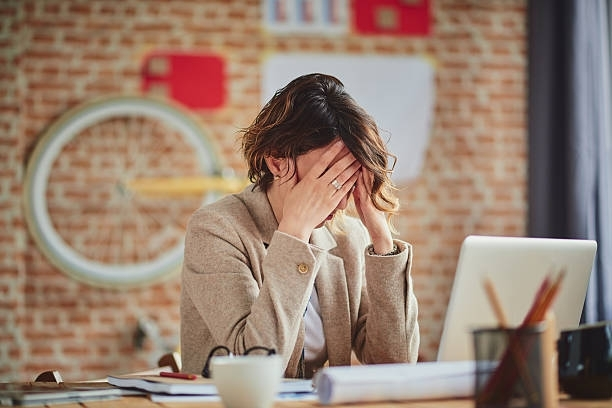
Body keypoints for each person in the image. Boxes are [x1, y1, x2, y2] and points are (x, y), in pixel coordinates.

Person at [180, 73, 419, 378]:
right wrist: (293, 235)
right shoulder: (216, 229)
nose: (340, 200)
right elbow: (257, 367)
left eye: (350, 178)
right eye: (330, 176)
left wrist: (382, 238)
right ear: (277, 161)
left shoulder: (348, 238)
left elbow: (395, 364)